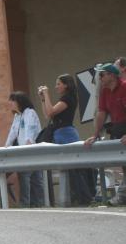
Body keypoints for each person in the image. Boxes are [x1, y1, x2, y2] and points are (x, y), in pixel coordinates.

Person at [39, 73, 94, 205]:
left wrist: (46, 94)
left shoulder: (68, 98)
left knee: (74, 168)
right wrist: (42, 99)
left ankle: (83, 197)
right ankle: (76, 198)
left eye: (58, 84)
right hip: (61, 134)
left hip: (66, 134)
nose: (56, 87)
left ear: (66, 85)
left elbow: (51, 112)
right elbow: (47, 115)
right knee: (69, 169)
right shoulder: (64, 98)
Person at [84, 63, 126, 205]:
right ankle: (122, 195)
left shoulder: (125, 87)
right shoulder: (105, 92)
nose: (99, 77)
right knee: (124, 165)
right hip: (118, 128)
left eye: (101, 74)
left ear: (111, 75)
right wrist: (95, 134)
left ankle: (121, 195)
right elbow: (101, 113)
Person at [4, 91, 44, 207]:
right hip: (24, 152)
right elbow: (12, 133)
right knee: (29, 178)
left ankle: (31, 203)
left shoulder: (29, 113)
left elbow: (29, 132)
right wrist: (6, 146)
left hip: (31, 151)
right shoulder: (17, 116)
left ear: (20, 102)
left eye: (13, 100)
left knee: (31, 178)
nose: (10, 103)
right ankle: (32, 203)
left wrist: (27, 146)